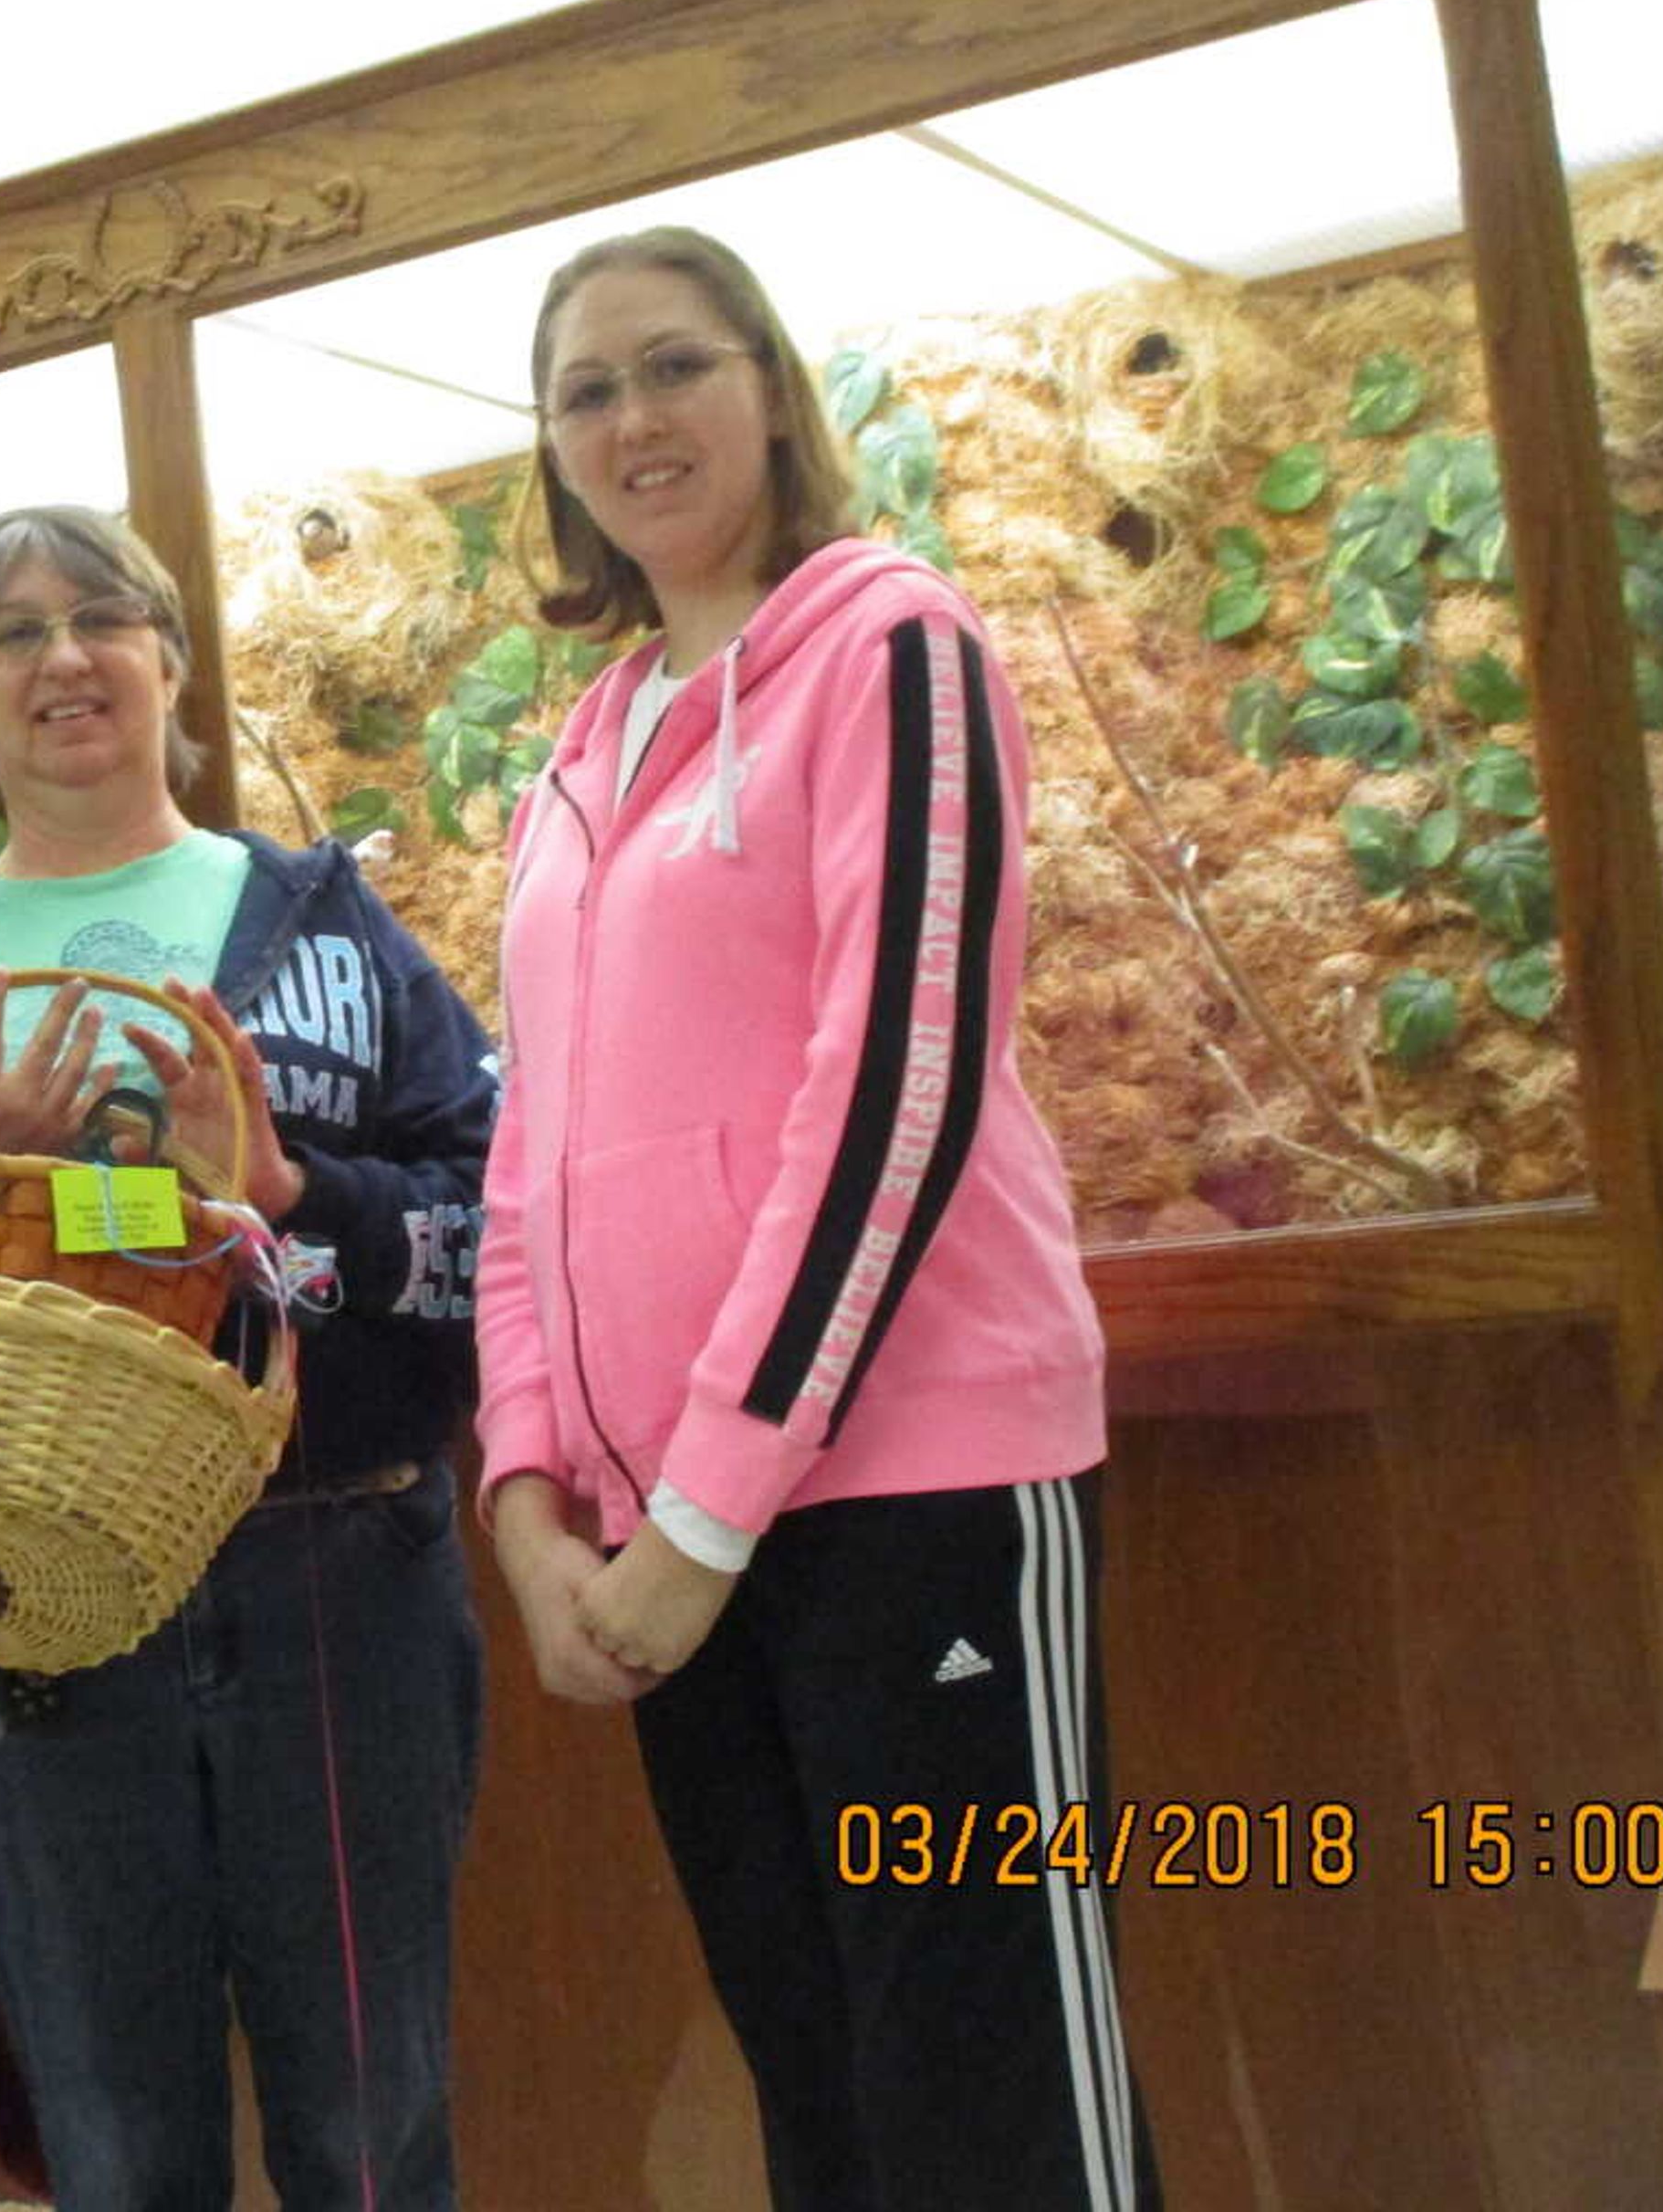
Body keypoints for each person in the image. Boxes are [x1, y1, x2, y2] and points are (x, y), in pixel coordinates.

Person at [476, 226, 1161, 2210]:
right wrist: (529, 1507)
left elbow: (899, 1089)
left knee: (992, 2089)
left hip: (907, 1492)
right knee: (824, 2096)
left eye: (673, 366)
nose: (633, 420)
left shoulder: (893, 644)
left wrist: (702, 1510)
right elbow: (525, 1167)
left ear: (772, 388)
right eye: (585, 391)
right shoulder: (576, 763)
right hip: (657, 1553)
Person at [0, 504, 499, 2212]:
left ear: (172, 663)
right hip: (24, 1610)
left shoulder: (332, 930)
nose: (60, 659)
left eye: (99, 617)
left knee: (367, 2127)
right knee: (112, 2136)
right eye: (10, 634)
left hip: (337, 1579)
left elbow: (495, 1224)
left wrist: (285, 1192)